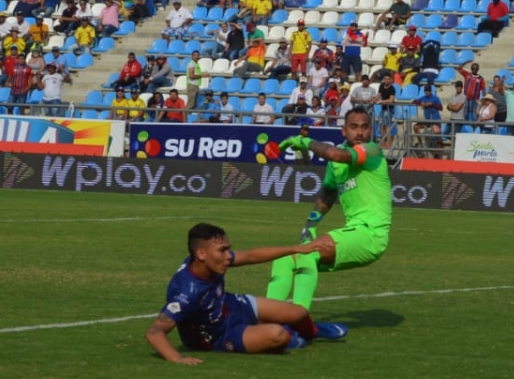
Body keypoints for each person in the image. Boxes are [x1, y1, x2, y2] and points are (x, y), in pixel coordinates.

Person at [144, 223, 340, 364]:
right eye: (222, 250)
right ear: (201, 254)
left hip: (232, 306)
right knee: (278, 335)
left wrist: (297, 248)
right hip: (221, 335)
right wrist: (178, 359)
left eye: (228, 249)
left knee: (299, 313)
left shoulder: (206, 261)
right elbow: (154, 332)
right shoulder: (187, 292)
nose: (228, 255)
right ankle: (289, 336)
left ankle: (311, 332)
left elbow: (251, 256)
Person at [268, 108, 394, 310]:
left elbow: (335, 154)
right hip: (355, 232)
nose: (359, 132)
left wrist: (306, 142)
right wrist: (309, 224)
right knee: (285, 261)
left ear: (371, 131)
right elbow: (327, 194)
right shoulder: (336, 165)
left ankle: (299, 320)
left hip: (371, 234)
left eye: (364, 127)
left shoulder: (371, 151)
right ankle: (269, 317)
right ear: (344, 131)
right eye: (354, 127)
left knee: (308, 254)